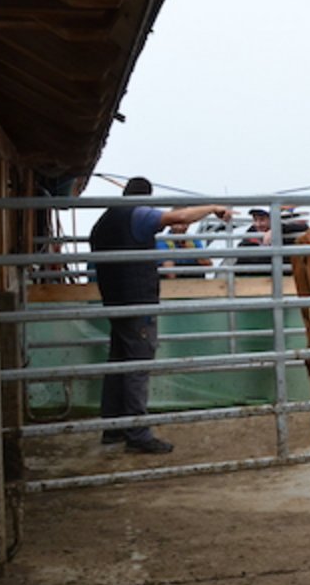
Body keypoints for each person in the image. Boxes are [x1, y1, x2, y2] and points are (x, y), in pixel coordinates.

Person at [89, 177, 231, 453]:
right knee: (137, 366)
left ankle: (113, 427)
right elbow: (178, 216)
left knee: (118, 362)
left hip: (115, 300)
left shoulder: (103, 221)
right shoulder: (138, 214)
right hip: (137, 300)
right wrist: (213, 206)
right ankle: (137, 433)